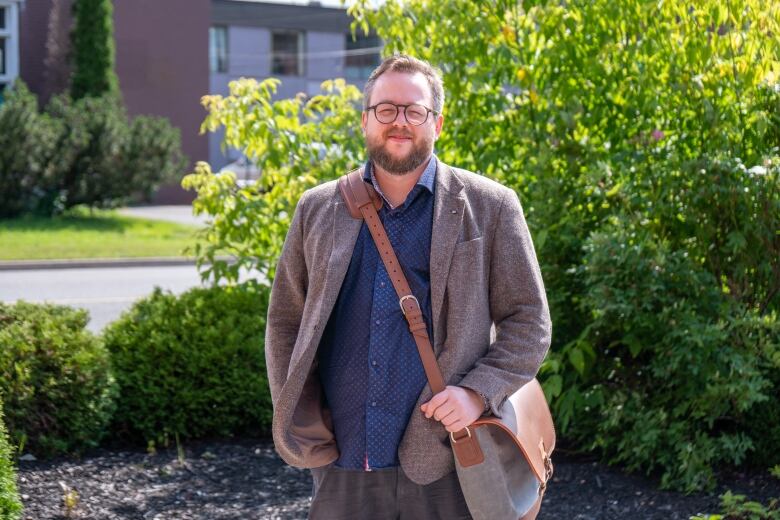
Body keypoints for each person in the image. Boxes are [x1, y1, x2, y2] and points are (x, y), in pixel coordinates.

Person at [265, 54, 552, 519]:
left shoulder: (491, 205)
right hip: (343, 460)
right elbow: (285, 324)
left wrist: (476, 393)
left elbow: (530, 323)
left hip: (448, 459)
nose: (399, 122)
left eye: (414, 111)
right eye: (386, 109)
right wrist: (300, 415)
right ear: (365, 121)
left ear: (437, 123)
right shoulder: (317, 209)